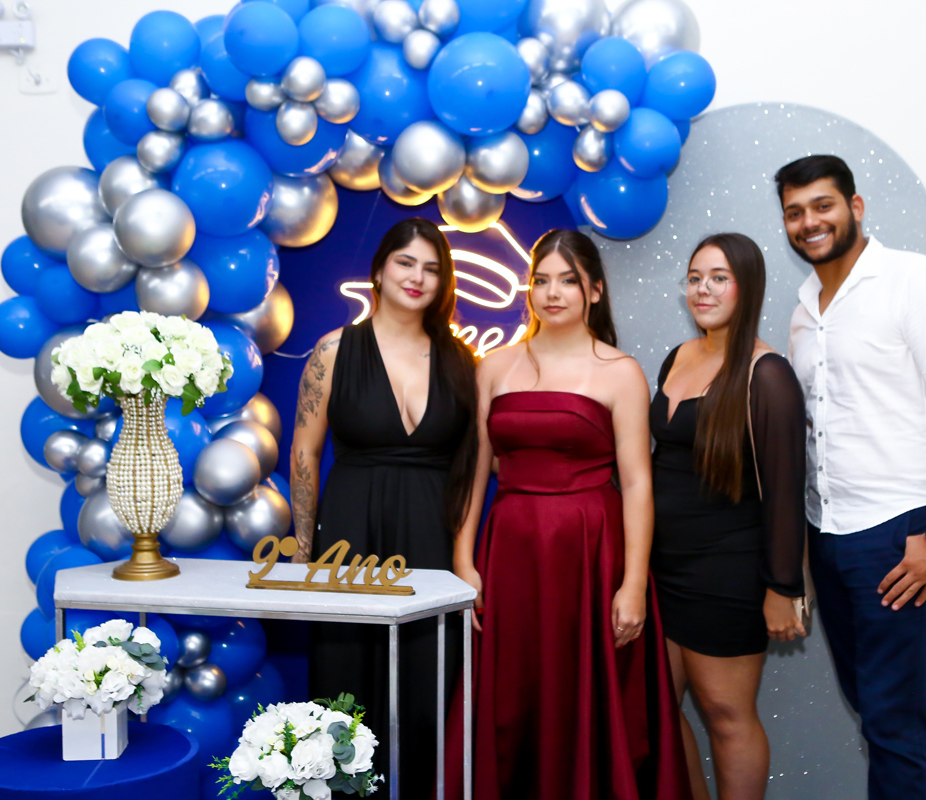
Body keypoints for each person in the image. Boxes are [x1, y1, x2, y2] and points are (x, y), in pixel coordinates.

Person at [448, 229, 690, 799]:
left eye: (568, 281)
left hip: (591, 554)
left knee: (583, 692)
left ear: (595, 291)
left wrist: (633, 583)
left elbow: (638, 483)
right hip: (510, 552)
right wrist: (463, 558)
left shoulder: (620, 371)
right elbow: (475, 471)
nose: (552, 293)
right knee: (512, 694)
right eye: (541, 281)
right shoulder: (495, 367)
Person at [777, 154, 926, 800]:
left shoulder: (914, 282)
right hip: (829, 534)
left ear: (856, 207)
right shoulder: (804, 310)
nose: (809, 222)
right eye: (794, 212)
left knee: (894, 720)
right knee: (872, 706)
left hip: (902, 534)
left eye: (822, 205)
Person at [289, 217, 478, 799]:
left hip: (431, 539)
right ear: (378, 269)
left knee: (428, 690)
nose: (417, 277)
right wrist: (303, 550)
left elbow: (472, 466)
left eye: (431, 268)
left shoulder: (461, 360)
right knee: (344, 689)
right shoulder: (333, 351)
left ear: (443, 281)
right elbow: (304, 452)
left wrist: (465, 559)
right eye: (405, 262)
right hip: (349, 538)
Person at [651, 233, 807, 800]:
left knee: (725, 713)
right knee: (658, 709)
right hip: (661, 570)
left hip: (727, 575)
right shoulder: (678, 356)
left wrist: (782, 588)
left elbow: (786, 489)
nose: (703, 290)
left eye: (719, 278)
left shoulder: (768, 373)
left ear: (748, 287)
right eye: (695, 278)